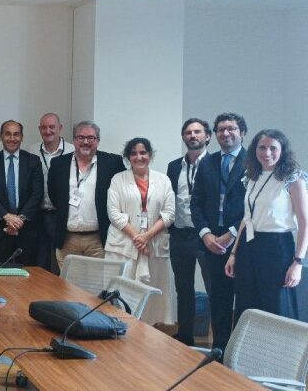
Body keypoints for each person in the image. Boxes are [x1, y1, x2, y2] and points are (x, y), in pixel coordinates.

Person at [226, 129, 307, 321]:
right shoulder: (252, 176)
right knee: (247, 304)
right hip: (248, 246)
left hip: (277, 247)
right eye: (262, 147)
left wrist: (298, 263)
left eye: (273, 148)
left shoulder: (293, 178)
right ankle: (247, 342)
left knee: (275, 306)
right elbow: (247, 219)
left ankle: (277, 343)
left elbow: (305, 224)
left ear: (283, 150)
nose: (267, 153)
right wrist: (233, 254)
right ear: (255, 150)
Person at [190, 112, 248, 352]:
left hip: (243, 241)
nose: (226, 133)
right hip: (212, 242)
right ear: (215, 135)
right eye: (221, 129)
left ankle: (241, 353)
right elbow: (196, 203)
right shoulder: (207, 162)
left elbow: (253, 206)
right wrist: (206, 234)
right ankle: (221, 351)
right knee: (219, 300)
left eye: (231, 128)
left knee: (243, 301)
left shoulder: (253, 162)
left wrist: (232, 233)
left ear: (242, 133)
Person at [106, 138, 176, 325]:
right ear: (128, 157)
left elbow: (169, 214)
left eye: (143, 152)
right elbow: (114, 214)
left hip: (153, 246)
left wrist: (146, 236)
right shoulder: (118, 179)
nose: (139, 157)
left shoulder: (163, 180)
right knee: (122, 295)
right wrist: (138, 238)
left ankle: (147, 335)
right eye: (134, 153)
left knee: (151, 299)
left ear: (150, 155)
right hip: (123, 247)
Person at [47, 121, 126, 268]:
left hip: (98, 240)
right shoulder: (58, 163)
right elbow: (54, 195)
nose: (85, 142)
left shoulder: (112, 163)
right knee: (67, 282)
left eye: (91, 138)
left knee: (97, 282)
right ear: (74, 140)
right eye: (81, 137)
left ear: (98, 140)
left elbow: (123, 194)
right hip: (67, 240)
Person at [166, 118, 212, 345]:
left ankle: (220, 339)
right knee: (183, 288)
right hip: (180, 234)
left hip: (205, 236)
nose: (192, 135)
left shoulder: (214, 164)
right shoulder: (174, 166)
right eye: (188, 132)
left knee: (213, 287)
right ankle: (185, 335)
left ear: (207, 136)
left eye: (197, 132)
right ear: (183, 137)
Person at [0, 120, 44, 266]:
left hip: (27, 230)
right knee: (0, 274)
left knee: (28, 274)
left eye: (16, 134)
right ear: (1, 136)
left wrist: (18, 220)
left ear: (22, 137)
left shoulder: (33, 161)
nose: (12, 138)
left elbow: (37, 194)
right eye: (8, 134)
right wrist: (6, 216)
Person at [30, 112, 74, 272]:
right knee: (40, 260)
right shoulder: (32, 150)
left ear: (60, 128)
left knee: (60, 260)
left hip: (62, 214)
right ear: (39, 129)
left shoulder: (72, 150)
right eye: (44, 127)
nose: (48, 131)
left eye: (52, 127)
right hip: (38, 214)